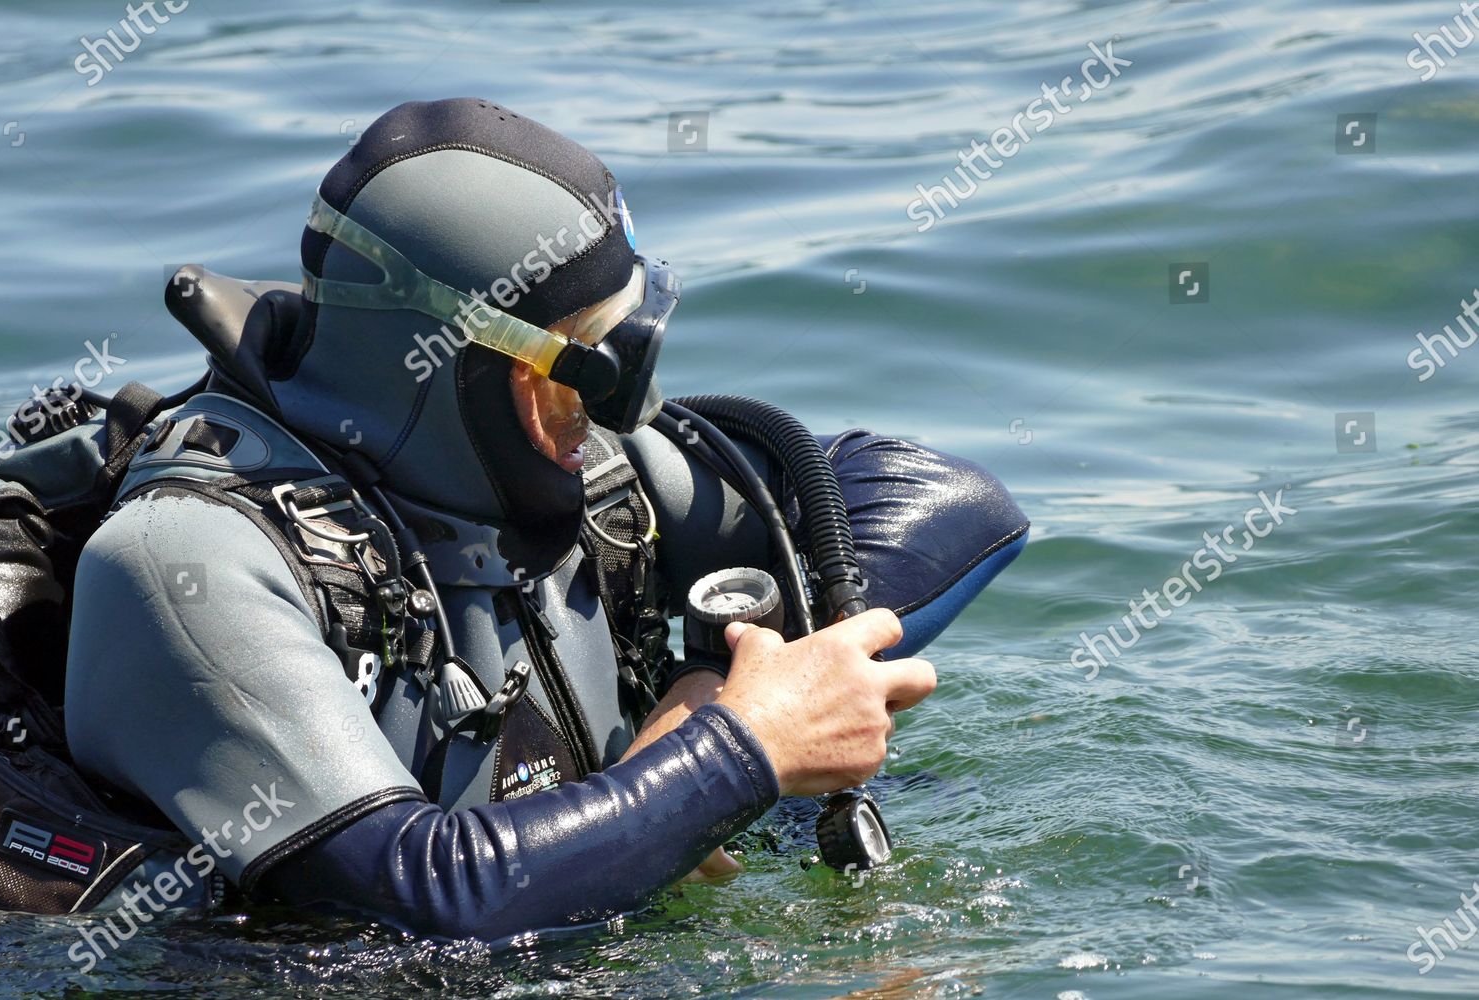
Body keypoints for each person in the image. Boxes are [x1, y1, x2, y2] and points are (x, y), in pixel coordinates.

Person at [63, 98, 1029, 941]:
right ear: (452, 369)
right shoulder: (181, 562)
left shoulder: (565, 465)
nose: (616, 423)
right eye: (581, 377)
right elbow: (420, 896)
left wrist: (706, 691)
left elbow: (943, 498)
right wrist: (740, 755)